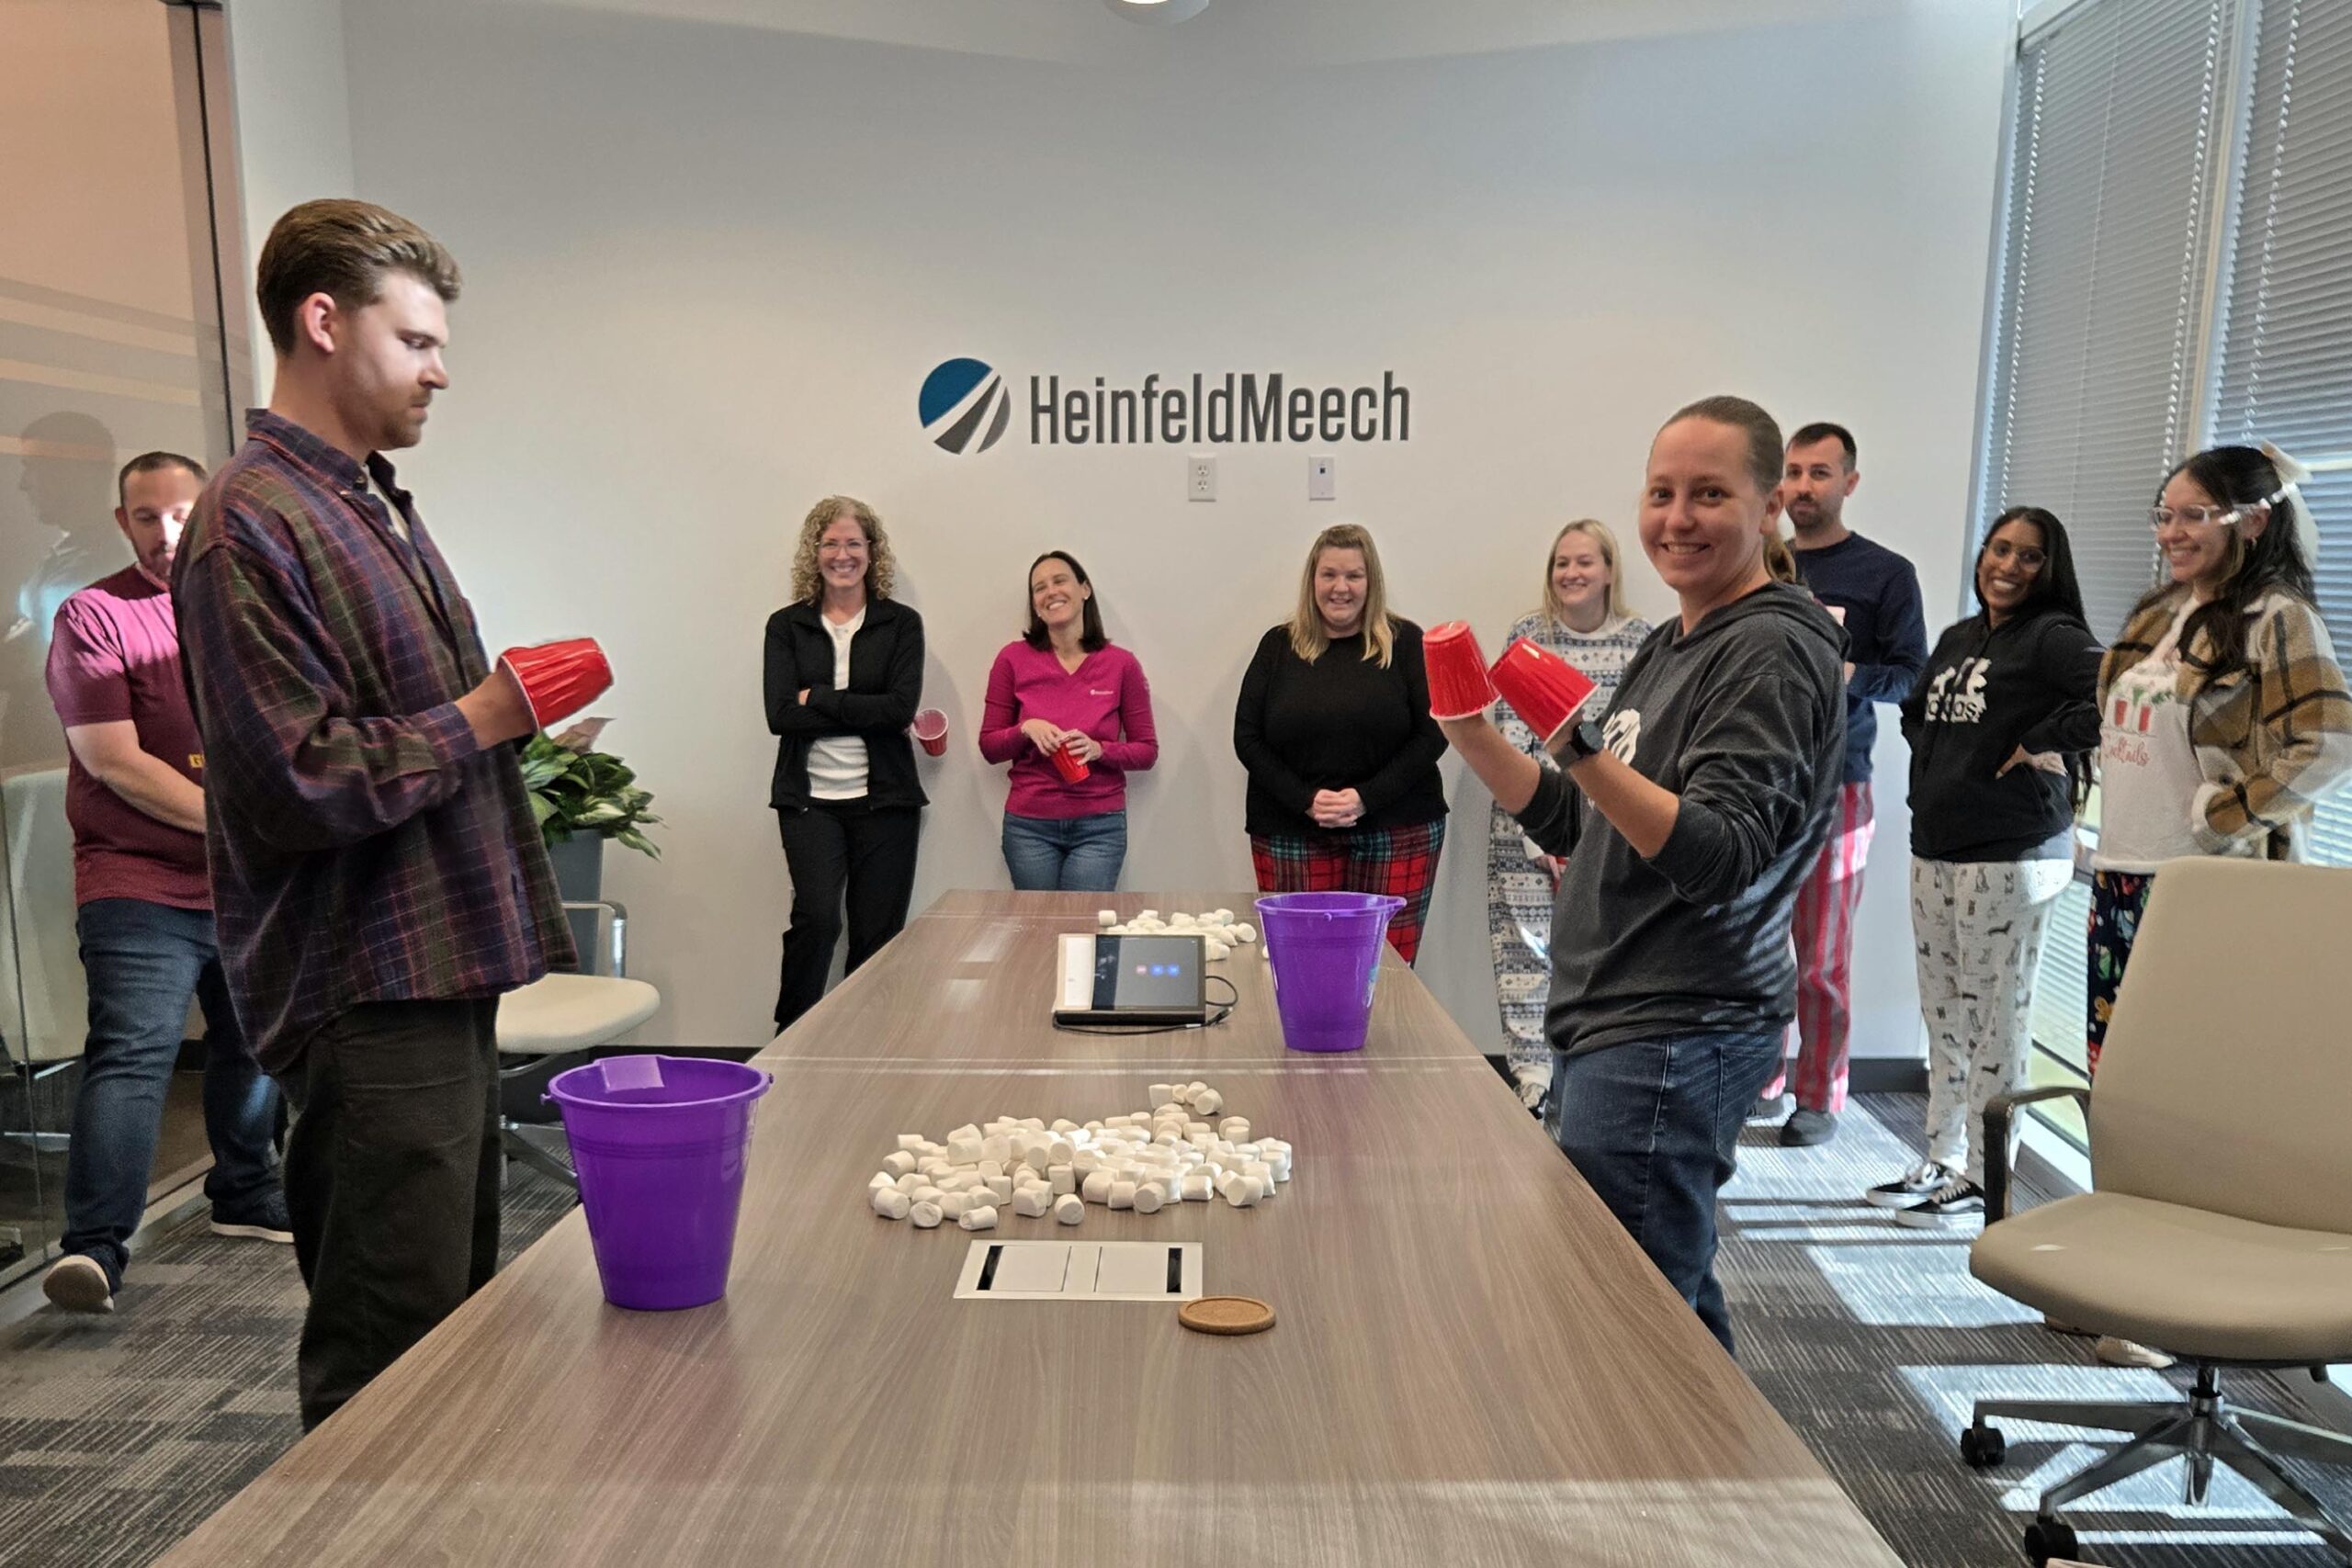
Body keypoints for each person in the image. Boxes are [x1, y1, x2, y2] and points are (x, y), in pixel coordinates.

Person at [174, 200, 571, 1429]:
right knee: (389, 1365)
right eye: (416, 341)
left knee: (450, 1335)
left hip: (435, 966)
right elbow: (294, 779)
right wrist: (485, 716)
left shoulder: (368, 503)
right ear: (323, 321)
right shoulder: (250, 522)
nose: (438, 371)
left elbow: (393, 731)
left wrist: (493, 717)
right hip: (366, 983)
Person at [1438, 395, 1843, 1354]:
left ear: (1770, 506)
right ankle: (1721, 1451)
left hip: (1675, 1023)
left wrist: (1574, 741)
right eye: (1662, 493)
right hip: (1620, 1017)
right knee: (1660, 1302)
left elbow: (1720, 857)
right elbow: (1582, 823)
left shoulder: (1769, 648)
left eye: (1710, 493)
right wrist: (1471, 732)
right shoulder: (1675, 642)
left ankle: (1679, 1456)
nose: (1677, 518)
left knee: (1628, 1327)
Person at [2086, 444, 2352, 1364]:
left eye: (2192, 514)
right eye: (2163, 514)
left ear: (2253, 520)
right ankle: (2122, 1281)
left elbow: (2327, 740)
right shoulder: (2159, 612)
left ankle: (2178, 1305)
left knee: (2186, 1100)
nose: (2171, 531)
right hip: (2123, 874)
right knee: (2119, 1091)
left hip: (2207, 891)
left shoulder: (2277, 618)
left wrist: (2226, 814)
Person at [37, 452, 289, 1316]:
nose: (166, 532)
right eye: (146, 516)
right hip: (136, 876)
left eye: (182, 512)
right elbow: (112, 760)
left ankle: (246, 1191)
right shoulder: (94, 614)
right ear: (122, 522)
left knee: (253, 1042)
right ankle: (95, 1248)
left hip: (247, 880)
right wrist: (240, 826)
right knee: (134, 1051)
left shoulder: (251, 608)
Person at [1879, 507, 2099, 1228]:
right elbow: (1915, 710)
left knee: (1994, 1021)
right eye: (1999, 549)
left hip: (2011, 854)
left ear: (2050, 567)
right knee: (1944, 1014)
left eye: (2028, 555)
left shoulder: (2053, 637)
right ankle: (1943, 1156)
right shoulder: (1961, 637)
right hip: (1939, 847)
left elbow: (2115, 692)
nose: (2008, 565)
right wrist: (1943, 767)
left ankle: (1985, 1176)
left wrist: (2043, 738)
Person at [1762, 422, 1928, 1145]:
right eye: (1794, 471)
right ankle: (1762, 1079)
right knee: (1756, 944)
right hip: (1757, 783)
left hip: (1838, 787)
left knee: (1822, 958)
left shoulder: (1885, 573)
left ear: (1849, 483)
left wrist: (1846, 673)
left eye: (1819, 473)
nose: (1803, 486)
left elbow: (1912, 676)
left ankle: (1820, 1095)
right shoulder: (1762, 561)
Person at [1487, 520, 1650, 1112]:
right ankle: (1533, 1082)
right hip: (1525, 827)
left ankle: (1590, 1079)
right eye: (1562, 563)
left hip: (1612, 830)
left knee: (1604, 959)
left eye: (1584, 562)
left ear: (1609, 571)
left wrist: (1592, 831)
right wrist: (1543, 838)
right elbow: (1510, 737)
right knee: (1526, 956)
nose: (1571, 573)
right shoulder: (1528, 637)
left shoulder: (1642, 641)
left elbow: (1641, 741)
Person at [1233, 524, 1448, 964]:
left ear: (1372, 581)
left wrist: (1366, 798)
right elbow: (1247, 738)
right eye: (1329, 574)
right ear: (1312, 579)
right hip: (1292, 831)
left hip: (1397, 830)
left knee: (1387, 970)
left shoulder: (1407, 642)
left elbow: (1434, 733)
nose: (1341, 588)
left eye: (1354, 575)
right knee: (1303, 966)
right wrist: (1306, 800)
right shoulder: (1277, 647)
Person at [764, 495, 925, 1031]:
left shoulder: (901, 624)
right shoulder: (786, 626)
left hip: (887, 801)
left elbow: (899, 710)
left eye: (854, 543)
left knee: (877, 935)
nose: (842, 555)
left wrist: (818, 699)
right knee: (816, 920)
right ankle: (790, 1041)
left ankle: (862, 1044)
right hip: (810, 800)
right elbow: (780, 715)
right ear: (814, 552)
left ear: (872, 552)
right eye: (830, 543)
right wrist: (864, 711)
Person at [978, 551, 1158, 892]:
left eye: (1059, 581)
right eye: (1039, 588)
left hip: (1099, 826)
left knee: (1082, 921)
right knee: (1037, 922)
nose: (1051, 592)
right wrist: (1025, 730)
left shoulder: (1122, 665)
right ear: (1035, 605)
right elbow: (989, 747)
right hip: (1029, 826)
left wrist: (1098, 750)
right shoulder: (1011, 659)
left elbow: (1147, 751)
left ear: (1084, 589)